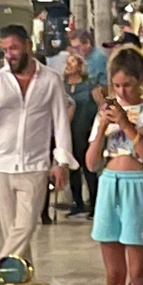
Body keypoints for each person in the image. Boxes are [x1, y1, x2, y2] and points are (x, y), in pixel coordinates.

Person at [0, 24, 70, 265]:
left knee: (25, 227)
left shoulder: (51, 80)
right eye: (5, 50)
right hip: (1, 165)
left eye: (14, 48)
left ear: (28, 46)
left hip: (35, 166)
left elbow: (60, 121)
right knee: (14, 233)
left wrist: (61, 161)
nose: (9, 54)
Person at [87, 45, 143, 285]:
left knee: (138, 272)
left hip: (137, 183)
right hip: (109, 183)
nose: (121, 92)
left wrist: (126, 125)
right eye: (116, 86)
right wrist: (101, 129)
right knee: (113, 274)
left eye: (127, 85)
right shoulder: (105, 114)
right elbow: (90, 163)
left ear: (140, 81)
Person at [62, 49, 98, 215]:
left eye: (72, 63)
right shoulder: (62, 85)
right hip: (68, 129)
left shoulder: (89, 84)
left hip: (85, 129)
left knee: (88, 167)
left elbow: (101, 105)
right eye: (67, 63)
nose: (68, 66)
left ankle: (94, 202)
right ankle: (77, 202)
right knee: (72, 167)